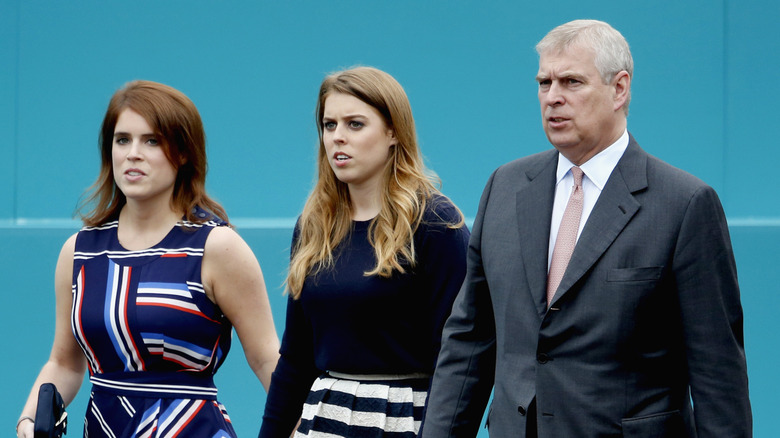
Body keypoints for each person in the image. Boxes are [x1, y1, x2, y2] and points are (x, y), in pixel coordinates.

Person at [422, 19, 752, 438]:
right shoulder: (504, 187)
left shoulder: (684, 205)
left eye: (572, 82)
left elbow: (717, 372)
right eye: (545, 83)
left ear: (620, 89)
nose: (553, 98)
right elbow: (468, 341)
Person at [16, 80, 280, 437]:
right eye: (122, 139)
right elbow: (64, 363)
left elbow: (267, 359)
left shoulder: (216, 247)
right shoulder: (79, 252)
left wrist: (301, 428)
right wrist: (29, 420)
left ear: (183, 152)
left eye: (152, 140)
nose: (133, 153)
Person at [259, 66, 470, 438]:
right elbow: (295, 358)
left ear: (392, 132)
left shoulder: (435, 223)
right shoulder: (314, 225)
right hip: (323, 417)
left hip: (403, 418)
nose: (338, 138)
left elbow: (455, 360)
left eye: (355, 124)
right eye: (329, 125)